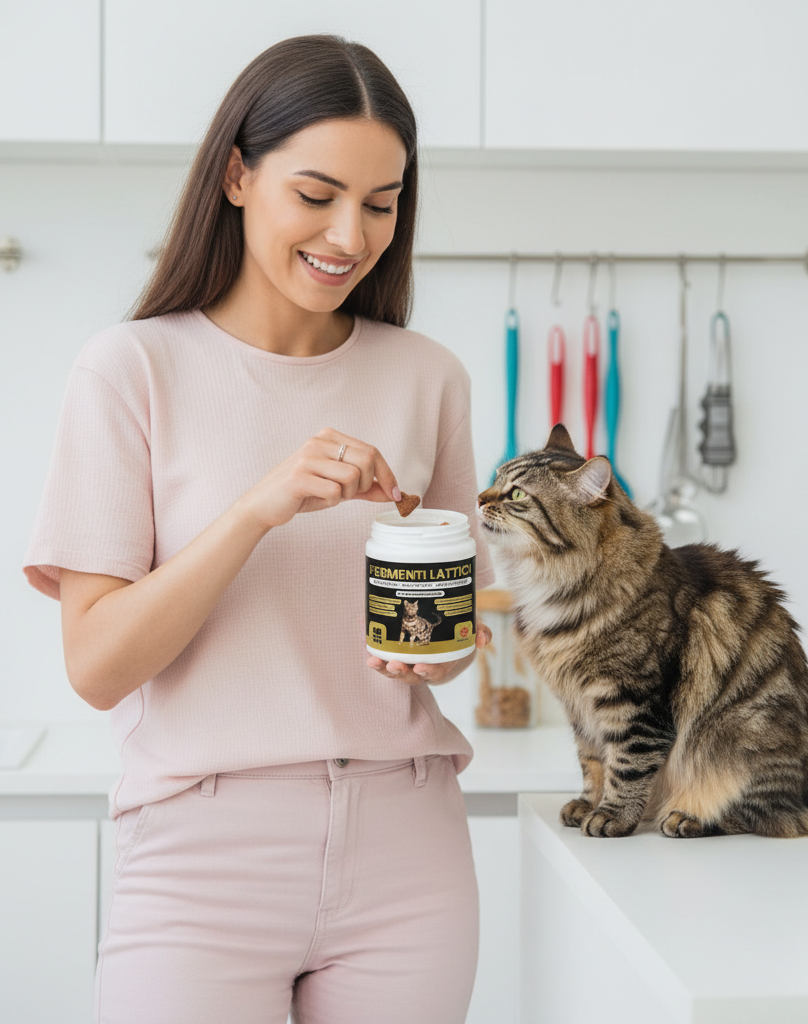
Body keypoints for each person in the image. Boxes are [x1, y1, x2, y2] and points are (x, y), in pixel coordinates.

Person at [22, 34, 495, 1024]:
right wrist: (256, 510)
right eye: (316, 194)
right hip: (200, 857)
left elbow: (448, 644)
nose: (349, 235)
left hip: (407, 846)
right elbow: (97, 665)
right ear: (237, 176)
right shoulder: (130, 370)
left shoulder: (429, 377)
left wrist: (435, 650)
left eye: (381, 203)